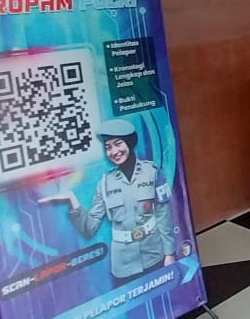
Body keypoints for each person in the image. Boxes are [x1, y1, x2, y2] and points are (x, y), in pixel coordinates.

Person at [39, 118, 176, 282]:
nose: (114, 151)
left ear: (129, 143)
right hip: (123, 266)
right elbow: (89, 229)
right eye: (108, 147)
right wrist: (72, 200)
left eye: (118, 144)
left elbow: (163, 215)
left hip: (155, 255)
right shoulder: (104, 183)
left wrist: (169, 253)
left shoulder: (152, 172)